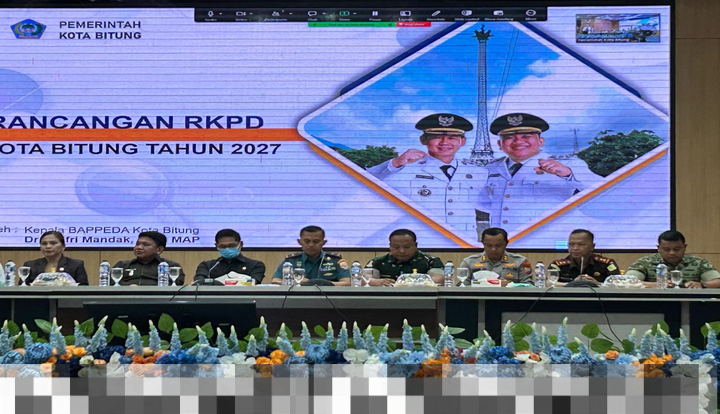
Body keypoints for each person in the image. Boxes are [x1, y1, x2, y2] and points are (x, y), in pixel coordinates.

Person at [367, 113, 489, 239]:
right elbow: (362, 182)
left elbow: (489, 203)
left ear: (462, 141)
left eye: (452, 138)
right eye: (437, 137)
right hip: (422, 241)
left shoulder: (479, 172)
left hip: (463, 241)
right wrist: (396, 163)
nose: (444, 143)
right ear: (424, 140)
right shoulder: (404, 167)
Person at [483, 113, 603, 231]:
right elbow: (482, 203)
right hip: (503, 239)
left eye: (526, 136)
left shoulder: (568, 164)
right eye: (509, 137)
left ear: (541, 141)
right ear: (499, 144)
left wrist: (568, 174)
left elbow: (603, 190)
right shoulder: (490, 168)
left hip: (548, 238)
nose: (518, 142)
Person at [626, 230, 720, 289]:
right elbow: (627, 281)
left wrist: (702, 285)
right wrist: (656, 285)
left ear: (684, 247)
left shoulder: (698, 262)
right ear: (658, 248)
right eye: (666, 249)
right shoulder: (645, 262)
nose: (672, 253)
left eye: (676, 249)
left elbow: (717, 281)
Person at [271, 226, 350, 286]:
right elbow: (275, 281)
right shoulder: (290, 261)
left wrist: (323, 284)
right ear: (299, 242)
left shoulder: (335, 260)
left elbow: (347, 282)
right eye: (307, 241)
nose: (311, 245)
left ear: (324, 243)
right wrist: (296, 282)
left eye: (316, 241)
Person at [365, 229, 444, 285]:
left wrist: (408, 282)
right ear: (390, 246)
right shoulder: (377, 262)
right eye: (396, 247)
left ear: (416, 245)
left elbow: (439, 279)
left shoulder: (431, 261)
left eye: (407, 247)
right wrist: (378, 282)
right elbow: (363, 279)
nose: (401, 251)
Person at [458, 227, 533, 285]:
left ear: (506, 243)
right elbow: (462, 287)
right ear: (483, 243)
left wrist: (510, 285)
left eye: (498, 245)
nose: (493, 249)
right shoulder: (469, 262)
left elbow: (529, 286)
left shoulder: (521, 262)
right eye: (489, 245)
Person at [549, 229, 620, 285]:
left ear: (592, 246)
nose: (575, 248)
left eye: (581, 245)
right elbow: (549, 283)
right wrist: (573, 284)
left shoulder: (606, 263)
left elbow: (618, 284)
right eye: (571, 244)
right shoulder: (558, 265)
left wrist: (598, 285)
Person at [112, 231, 184, 286]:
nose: (139, 247)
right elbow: (111, 282)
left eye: (146, 245)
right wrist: (128, 287)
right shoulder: (122, 265)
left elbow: (176, 285)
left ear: (159, 249)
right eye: (137, 244)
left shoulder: (171, 266)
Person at [195, 229, 265, 285]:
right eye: (223, 246)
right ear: (217, 246)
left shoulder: (255, 265)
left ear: (240, 244)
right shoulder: (208, 266)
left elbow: (253, 283)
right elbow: (198, 283)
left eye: (231, 245)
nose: (227, 249)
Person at [23, 231, 89, 285]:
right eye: (44, 244)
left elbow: (83, 288)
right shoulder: (30, 265)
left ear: (63, 246)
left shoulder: (76, 265)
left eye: (53, 243)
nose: (48, 246)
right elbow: (22, 288)